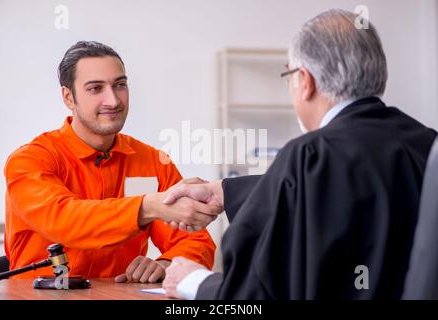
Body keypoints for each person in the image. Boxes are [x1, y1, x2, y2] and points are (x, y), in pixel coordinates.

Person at [161, 9, 438, 299]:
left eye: (289, 75)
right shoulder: (426, 143)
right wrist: (223, 192)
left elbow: (260, 294)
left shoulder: (309, 154)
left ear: (305, 81)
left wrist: (195, 282)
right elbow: (348, 189)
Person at [4, 41, 220, 282]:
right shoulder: (30, 160)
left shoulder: (153, 162)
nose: (113, 101)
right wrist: (149, 206)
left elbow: (194, 240)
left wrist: (168, 263)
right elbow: (64, 221)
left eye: (120, 85)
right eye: (96, 88)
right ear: (68, 97)